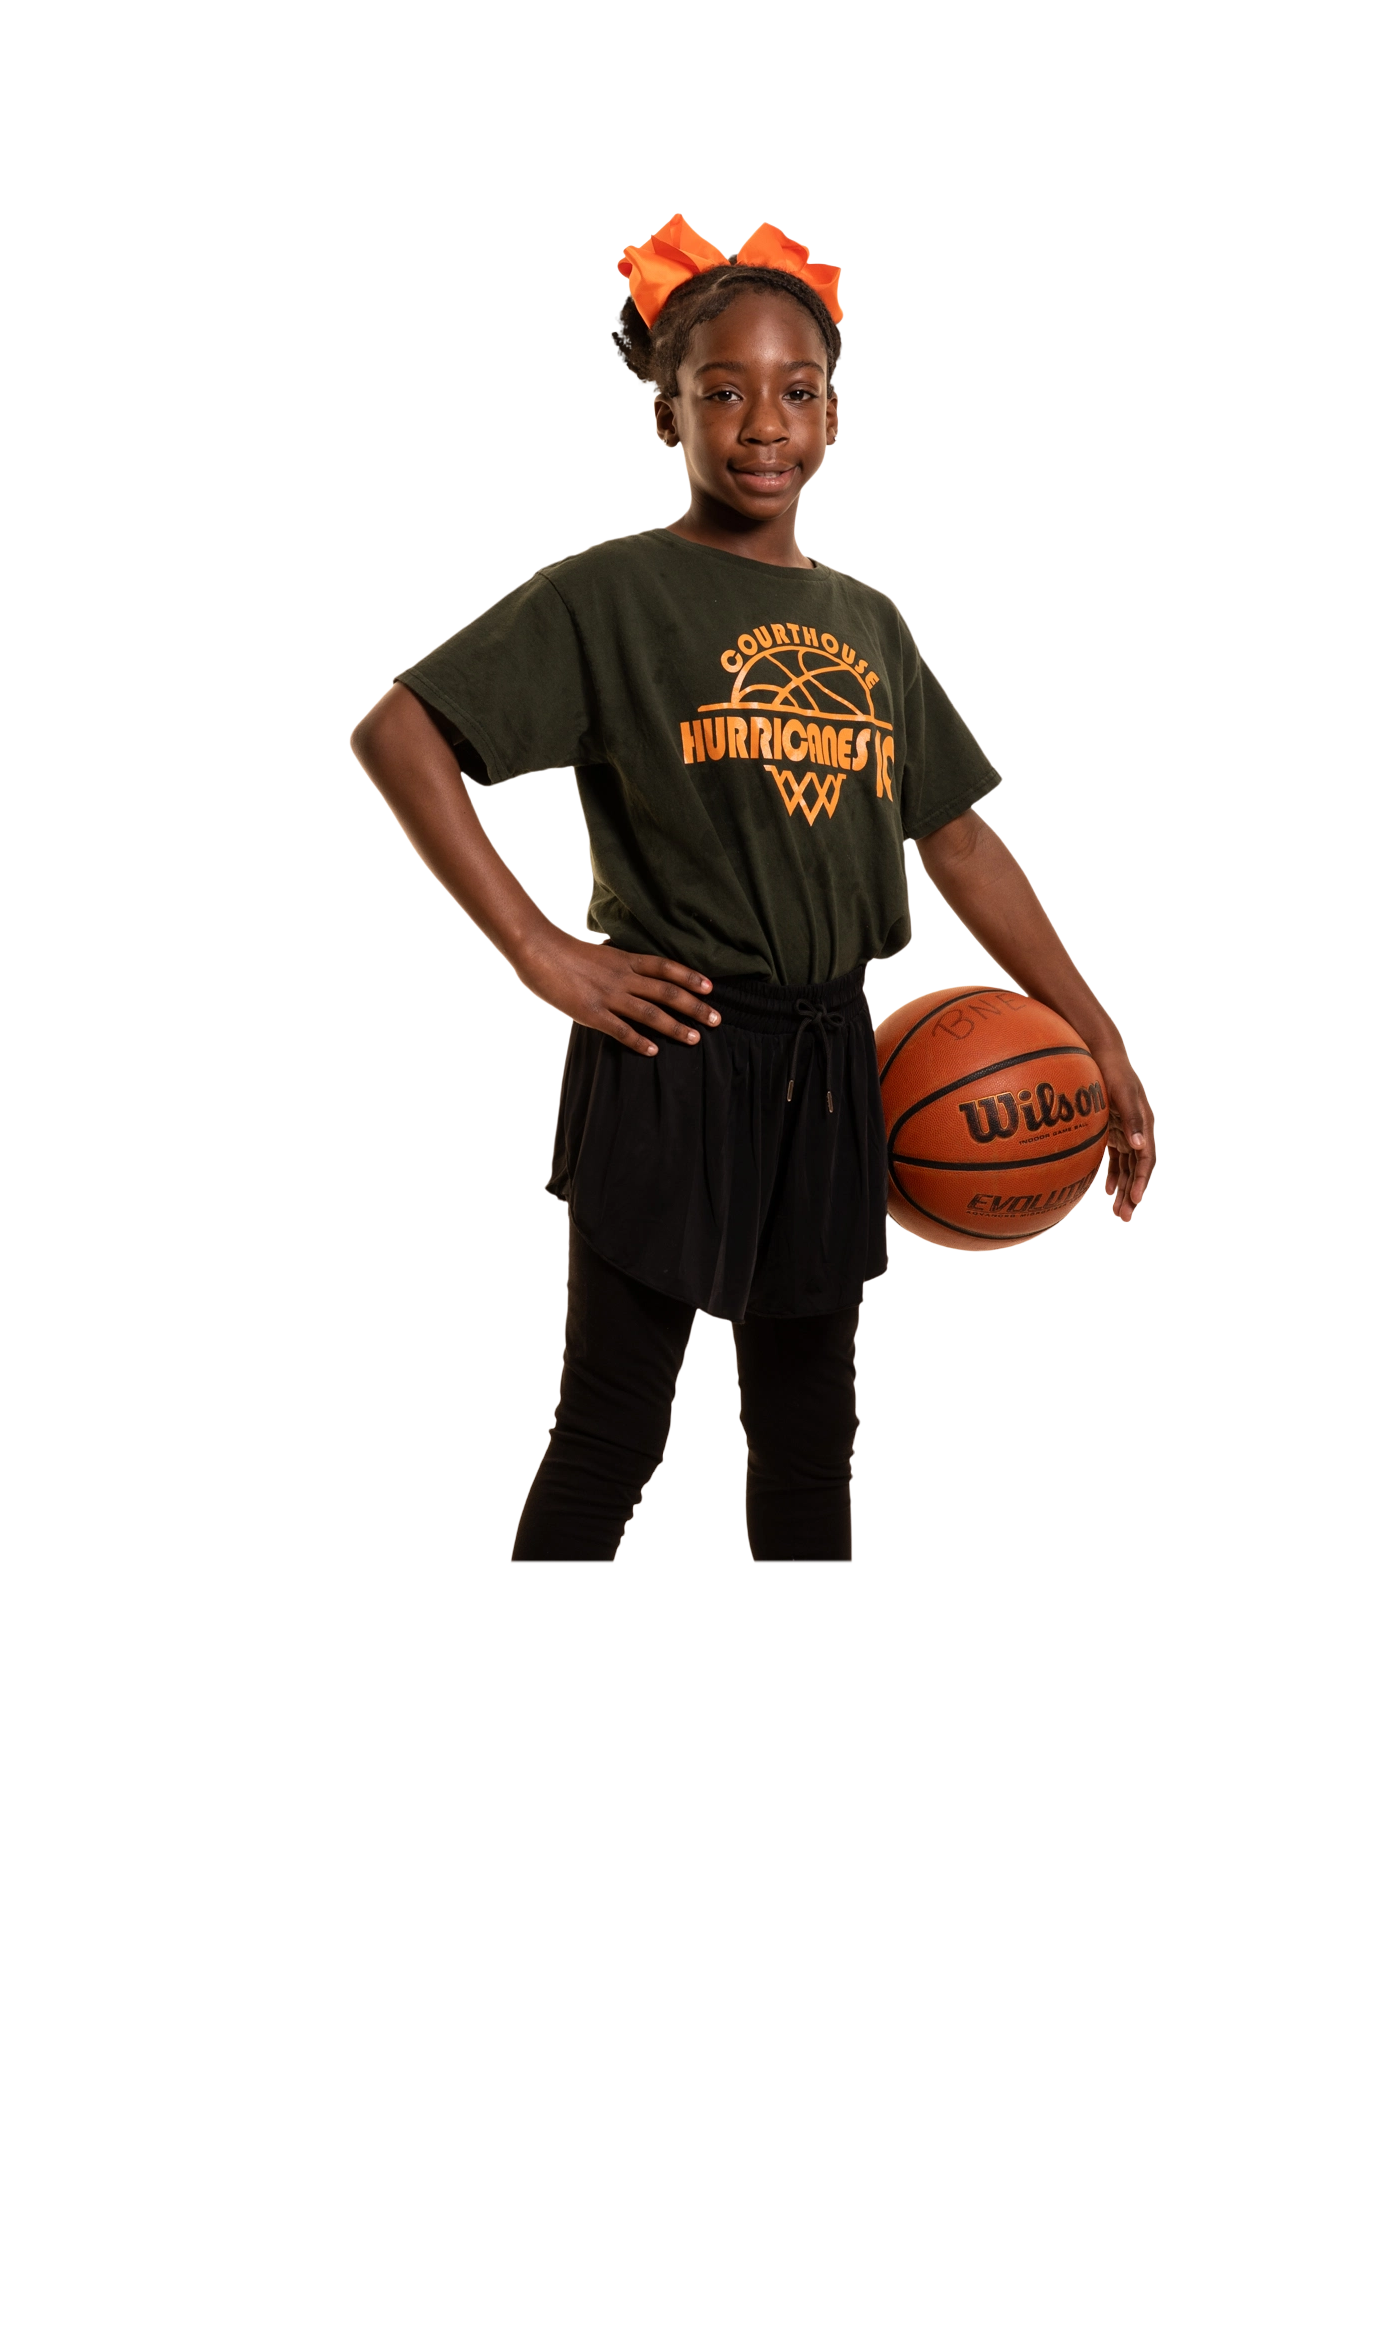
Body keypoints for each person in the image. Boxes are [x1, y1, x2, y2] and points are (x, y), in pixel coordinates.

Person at [350, 215, 1156, 1564]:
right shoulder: (613, 594)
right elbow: (401, 731)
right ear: (668, 411)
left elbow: (957, 839)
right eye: (722, 390)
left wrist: (1099, 1031)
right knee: (612, 1429)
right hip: (669, 1046)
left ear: (834, 415)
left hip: (831, 1059)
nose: (763, 421)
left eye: (797, 389)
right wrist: (541, 949)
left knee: (807, 1435)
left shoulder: (868, 622)